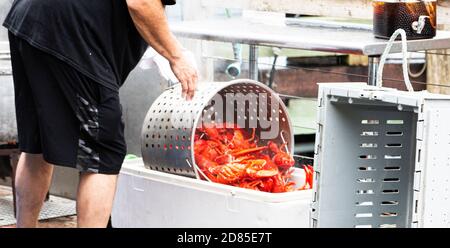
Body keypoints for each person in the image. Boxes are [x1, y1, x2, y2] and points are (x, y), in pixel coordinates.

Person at [2, 0, 198, 228]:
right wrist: (176, 56)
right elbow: (141, 2)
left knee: (36, 146)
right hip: (71, 31)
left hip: (29, 16)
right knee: (103, 153)